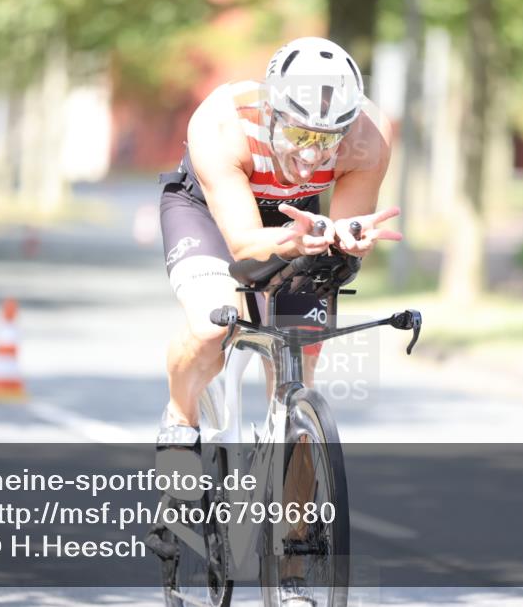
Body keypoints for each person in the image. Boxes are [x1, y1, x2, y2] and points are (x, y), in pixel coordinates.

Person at [156, 37, 400, 602]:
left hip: (296, 220)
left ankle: (291, 561)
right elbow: (243, 243)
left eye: (326, 140)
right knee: (216, 326)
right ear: (271, 112)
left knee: (299, 362)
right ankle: (180, 413)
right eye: (299, 135)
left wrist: (348, 237)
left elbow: (347, 229)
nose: (313, 155)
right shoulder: (223, 122)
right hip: (212, 215)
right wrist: (290, 242)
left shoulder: (368, 137)